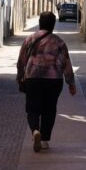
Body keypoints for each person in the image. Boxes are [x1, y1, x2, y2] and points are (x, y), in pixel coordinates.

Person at [17, 11, 76, 152]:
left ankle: (35, 130)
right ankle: (44, 140)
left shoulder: (30, 39)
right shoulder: (59, 42)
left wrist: (19, 77)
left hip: (33, 78)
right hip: (53, 80)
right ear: (53, 25)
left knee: (32, 108)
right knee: (49, 109)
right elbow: (66, 64)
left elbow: (21, 61)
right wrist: (71, 83)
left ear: (40, 23)